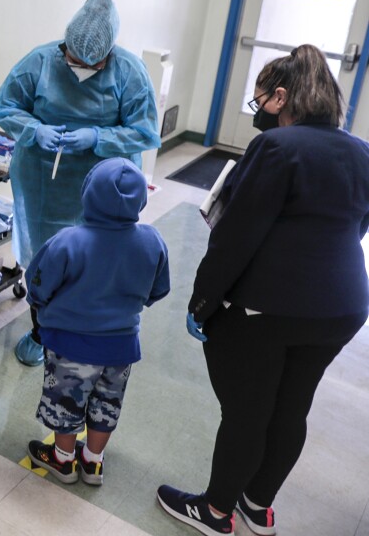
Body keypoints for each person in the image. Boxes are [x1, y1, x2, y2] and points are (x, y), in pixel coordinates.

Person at [157, 45, 369, 536]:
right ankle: (257, 506)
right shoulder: (361, 152)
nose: (257, 117)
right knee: (292, 409)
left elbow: (236, 235)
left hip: (267, 310)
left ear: (282, 97)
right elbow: (357, 227)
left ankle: (214, 513)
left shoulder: (275, 149)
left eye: (260, 105)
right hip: (344, 308)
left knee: (248, 412)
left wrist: (204, 301)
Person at [0, 0, 160, 367]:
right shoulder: (39, 61)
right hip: (43, 180)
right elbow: (5, 106)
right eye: (73, 59)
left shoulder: (130, 73)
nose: (80, 67)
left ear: (109, 52)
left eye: (92, 64)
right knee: (46, 258)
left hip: (106, 188)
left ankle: (85, 330)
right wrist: (35, 130)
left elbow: (146, 132)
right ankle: (42, 331)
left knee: (95, 261)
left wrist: (98, 139)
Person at [23, 158, 169, 486]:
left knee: (65, 401)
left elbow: (37, 287)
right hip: (121, 347)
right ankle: (93, 462)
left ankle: (62, 460)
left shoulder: (68, 241)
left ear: (87, 192)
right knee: (106, 405)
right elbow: (158, 290)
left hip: (70, 344)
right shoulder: (152, 240)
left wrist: (43, 310)